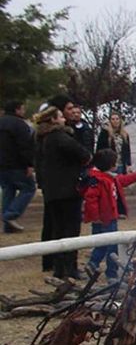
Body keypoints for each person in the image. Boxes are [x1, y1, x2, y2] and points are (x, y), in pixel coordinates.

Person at [34, 105, 91, 280]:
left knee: (57, 230)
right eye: (60, 116)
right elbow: (83, 154)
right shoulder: (60, 137)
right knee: (71, 230)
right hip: (68, 190)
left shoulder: (41, 138)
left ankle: (58, 268)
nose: (64, 119)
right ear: (53, 120)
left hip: (52, 190)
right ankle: (70, 267)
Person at [81, 148, 136, 279]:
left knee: (105, 244)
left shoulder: (110, 178)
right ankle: (106, 271)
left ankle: (100, 267)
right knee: (108, 246)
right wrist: (95, 217)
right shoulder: (97, 180)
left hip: (111, 217)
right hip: (104, 219)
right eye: (115, 163)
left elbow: (124, 180)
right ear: (110, 165)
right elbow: (90, 200)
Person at [0, 100, 36, 233]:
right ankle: (10, 215)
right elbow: (25, 146)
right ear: (17, 110)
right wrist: (29, 164)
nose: (24, 111)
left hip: (2, 165)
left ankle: (8, 225)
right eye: (22, 108)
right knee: (29, 188)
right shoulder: (20, 125)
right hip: (17, 164)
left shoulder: (1, 122)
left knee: (8, 190)